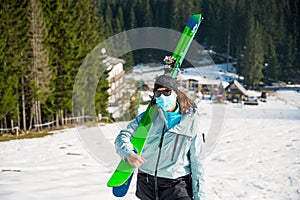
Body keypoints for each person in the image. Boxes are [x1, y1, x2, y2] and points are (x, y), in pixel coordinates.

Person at [115, 75, 205, 200]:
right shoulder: (147, 118)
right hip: (146, 183)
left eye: (167, 92)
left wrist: (199, 196)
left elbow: (197, 161)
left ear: (176, 93)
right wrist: (128, 154)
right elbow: (122, 137)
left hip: (176, 186)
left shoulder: (191, 122)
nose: (162, 97)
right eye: (158, 93)